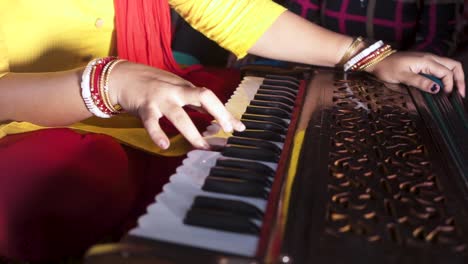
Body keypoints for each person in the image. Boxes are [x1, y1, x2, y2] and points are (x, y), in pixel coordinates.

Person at [0, 0, 465, 262]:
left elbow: (231, 10)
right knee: (49, 186)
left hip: (147, 93)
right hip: (27, 124)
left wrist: (369, 57)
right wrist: (106, 83)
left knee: (285, 111)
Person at [284, 0, 464, 56]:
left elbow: (437, 41)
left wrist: (398, 68)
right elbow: (295, 26)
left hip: (394, 84)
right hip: (325, 69)